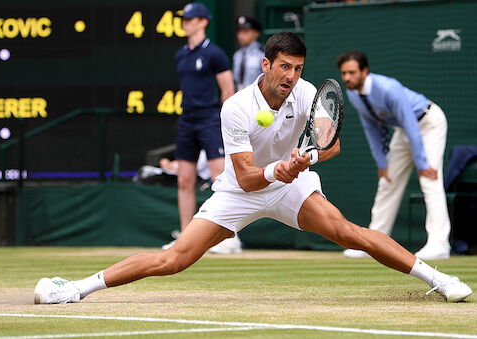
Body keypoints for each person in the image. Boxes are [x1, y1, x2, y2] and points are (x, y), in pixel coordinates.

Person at [34, 33, 472, 305]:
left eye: (298, 69)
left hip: (291, 187)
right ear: (266, 65)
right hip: (239, 191)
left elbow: (330, 142)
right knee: (175, 259)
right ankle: (73, 289)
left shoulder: (304, 94)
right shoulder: (236, 108)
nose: (291, 76)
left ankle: (439, 277)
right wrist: (275, 169)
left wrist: (308, 158)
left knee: (349, 232)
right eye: (284, 67)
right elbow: (244, 176)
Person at [336, 51, 452, 260]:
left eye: (352, 72)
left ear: (364, 71)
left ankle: (439, 244)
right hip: (404, 131)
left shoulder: (388, 88)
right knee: (387, 182)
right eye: (344, 73)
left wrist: (422, 162)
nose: (347, 78)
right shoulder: (353, 93)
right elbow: (371, 128)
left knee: (429, 179)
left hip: (428, 123)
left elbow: (410, 123)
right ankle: (374, 243)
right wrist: (382, 163)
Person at [162, 2, 242, 254]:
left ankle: (230, 238)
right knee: (184, 181)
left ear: (203, 22)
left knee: (221, 178)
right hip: (187, 121)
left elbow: (228, 89)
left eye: (190, 19)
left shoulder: (215, 54)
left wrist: (226, 122)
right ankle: (185, 239)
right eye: (183, 19)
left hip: (210, 119)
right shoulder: (180, 55)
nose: (185, 22)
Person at [232, 16, 264, 91]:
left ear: (256, 34)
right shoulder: (237, 55)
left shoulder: (262, 54)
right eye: (239, 32)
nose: (240, 36)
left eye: (245, 32)